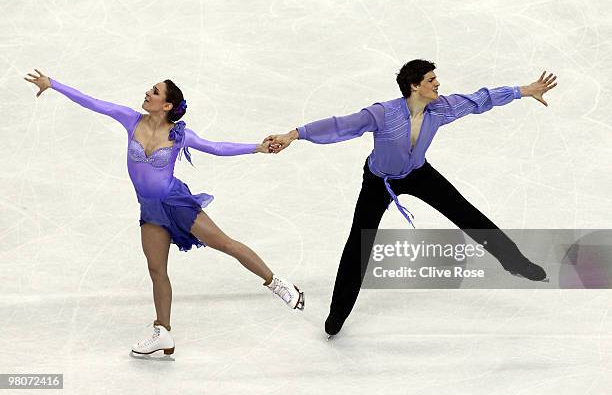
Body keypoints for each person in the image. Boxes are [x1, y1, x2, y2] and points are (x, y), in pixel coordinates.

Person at [265, 59, 557, 337]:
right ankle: (337, 314)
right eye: (431, 80)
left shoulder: (440, 108)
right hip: (379, 181)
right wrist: (294, 135)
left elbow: (480, 99)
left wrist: (524, 91)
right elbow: (340, 125)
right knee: (358, 244)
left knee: (468, 215)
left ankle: (516, 263)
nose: (438, 84)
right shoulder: (382, 113)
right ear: (415, 86)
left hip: (419, 174)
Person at [24, 69, 305, 356]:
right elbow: (94, 102)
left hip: (176, 203)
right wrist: (54, 84)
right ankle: (163, 332)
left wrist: (257, 147)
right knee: (157, 270)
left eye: (155, 92)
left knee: (225, 244)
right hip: (150, 208)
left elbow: (217, 147)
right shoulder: (131, 119)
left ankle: (278, 284)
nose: (148, 93)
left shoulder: (178, 135)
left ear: (167, 105)